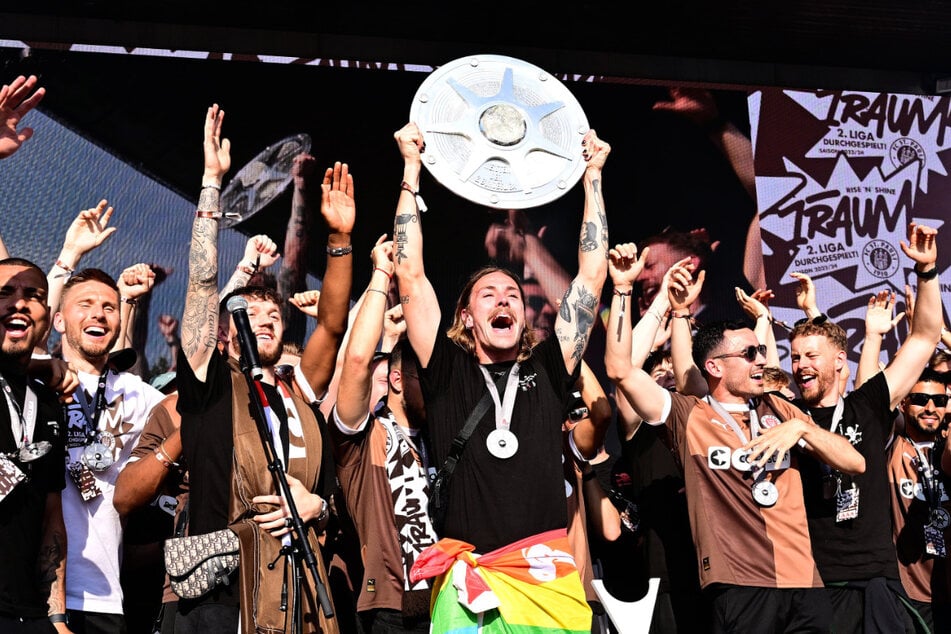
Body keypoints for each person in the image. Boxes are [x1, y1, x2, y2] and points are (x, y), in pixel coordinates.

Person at [396, 121, 610, 633]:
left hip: (546, 579)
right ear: (466, 317)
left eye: (512, 294)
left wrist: (594, 178)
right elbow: (411, 274)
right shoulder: (448, 370)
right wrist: (410, 170)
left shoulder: (549, 368)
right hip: (470, 585)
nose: (504, 300)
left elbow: (591, 277)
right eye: (488, 294)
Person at [605, 241, 865, 631]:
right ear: (714, 367)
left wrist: (801, 428)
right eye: (749, 354)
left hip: (805, 585)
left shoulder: (782, 410)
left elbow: (855, 462)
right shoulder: (689, 416)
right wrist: (626, 291)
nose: (762, 359)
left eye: (761, 351)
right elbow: (620, 368)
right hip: (739, 586)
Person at [175, 103, 351, 633]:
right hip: (228, 598)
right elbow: (204, 286)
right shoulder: (209, 385)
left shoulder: (300, 388)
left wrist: (315, 503)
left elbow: (335, 324)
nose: (264, 320)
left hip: (303, 594)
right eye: (249, 313)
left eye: (273, 313)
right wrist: (211, 183)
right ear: (226, 330)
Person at [789, 222, 942, 634]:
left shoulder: (867, 405)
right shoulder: (786, 416)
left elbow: (925, 336)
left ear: (839, 361)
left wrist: (927, 272)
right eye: (795, 357)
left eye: (810, 355)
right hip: (815, 580)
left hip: (877, 579)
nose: (800, 364)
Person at [331, 236, 437, 633]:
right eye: (422, 378)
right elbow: (356, 362)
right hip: (389, 605)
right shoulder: (363, 437)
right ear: (396, 378)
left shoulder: (441, 438)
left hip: (451, 602)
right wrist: (381, 274)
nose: (435, 386)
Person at [51, 263, 164, 633]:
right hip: (31, 588)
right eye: (84, 304)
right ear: (58, 320)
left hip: (103, 594)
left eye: (109, 307)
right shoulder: (34, 378)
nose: (98, 313)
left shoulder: (138, 396)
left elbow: (194, 405)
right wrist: (69, 255)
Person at [0, 257, 72, 633]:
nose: (18, 303)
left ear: (47, 314)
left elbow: (51, 518)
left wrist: (56, 617)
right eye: (5, 293)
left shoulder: (47, 404)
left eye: (33, 295)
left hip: (27, 615)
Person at [887, 368, 951, 633]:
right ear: (903, 402)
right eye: (920, 399)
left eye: (939, 401)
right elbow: (875, 402)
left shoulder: (947, 448)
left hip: (946, 590)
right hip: (906, 592)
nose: (930, 407)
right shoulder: (891, 444)